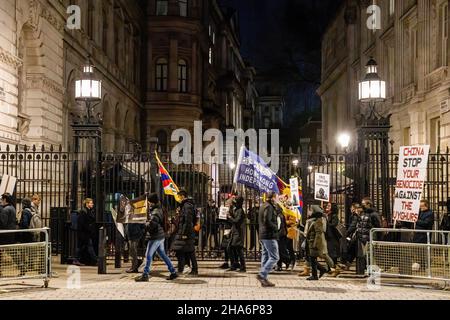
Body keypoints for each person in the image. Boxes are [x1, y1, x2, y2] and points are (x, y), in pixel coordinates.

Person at [135, 193, 178, 281]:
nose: (148, 203)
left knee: (148, 255)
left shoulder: (156, 212)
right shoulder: (158, 208)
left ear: (152, 202)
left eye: (149, 202)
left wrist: (143, 224)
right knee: (162, 254)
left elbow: (151, 225)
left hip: (155, 236)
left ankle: (145, 275)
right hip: (159, 235)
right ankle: (173, 272)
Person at [171, 190, 198, 277]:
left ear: (182, 196)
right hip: (184, 231)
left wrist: (184, 233)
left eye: (179, 196)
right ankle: (185, 268)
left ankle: (193, 269)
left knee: (190, 251)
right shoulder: (184, 206)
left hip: (187, 232)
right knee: (184, 251)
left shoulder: (187, 206)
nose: (178, 198)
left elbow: (188, 220)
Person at [257, 192, 279, 287]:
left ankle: (264, 279)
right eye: (277, 197)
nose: (277, 199)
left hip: (263, 235)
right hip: (269, 235)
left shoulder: (263, 205)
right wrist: (276, 227)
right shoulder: (269, 207)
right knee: (275, 257)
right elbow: (267, 220)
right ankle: (262, 274)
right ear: (273, 198)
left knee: (265, 256)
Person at [0, 193, 26, 276]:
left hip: (4, 235)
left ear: (5, 200)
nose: (1, 201)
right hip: (11, 233)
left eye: (2, 199)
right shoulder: (12, 208)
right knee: (13, 252)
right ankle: (22, 267)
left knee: (8, 252)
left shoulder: (6, 209)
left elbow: (3, 223)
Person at [356, 198, 381, 275]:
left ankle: (373, 272)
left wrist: (378, 239)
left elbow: (378, 227)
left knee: (370, 256)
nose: (362, 206)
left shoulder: (374, 214)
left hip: (370, 238)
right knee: (364, 255)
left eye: (363, 204)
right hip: (362, 238)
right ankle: (367, 271)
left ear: (368, 204)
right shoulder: (363, 213)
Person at [306, 205, 330, 280]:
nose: (309, 211)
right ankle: (316, 273)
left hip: (314, 242)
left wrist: (315, 244)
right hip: (311, 241)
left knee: (312, 259)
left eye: (311, 210)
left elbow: (318, 233)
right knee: (312, 259)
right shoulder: (314, 219)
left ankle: (318, 272)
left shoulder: (318, 220)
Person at [412, 199, 434, 271]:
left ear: (426, 206)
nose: (420, 208)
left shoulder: (430, 213)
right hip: (417, 235)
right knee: (417, 251)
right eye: (420, 206)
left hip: (424, 236)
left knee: (423, 251)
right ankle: (419, 265)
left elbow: (426, 223)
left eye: (422, 206)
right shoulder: (419, 212)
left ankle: (424, 266)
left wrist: (416, 220)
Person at [227, 195, 246, 272]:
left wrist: (230, 217)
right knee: (231, 248)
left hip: (238, 233)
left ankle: (242, 266)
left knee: (238, 249)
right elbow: (234, 218)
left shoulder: (240, 210)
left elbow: (236, 221)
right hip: (235, 232)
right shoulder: (237, 209)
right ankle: (234, 264)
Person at [77, 198, 98, 266]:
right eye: (91, 203)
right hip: (84, 233)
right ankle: (95, 260)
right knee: (89, 246)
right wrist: (89, 228)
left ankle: (77, 259)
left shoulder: (89, 211)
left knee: (82, 247)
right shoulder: (83, 212)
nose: (92, 204)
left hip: (87, 233)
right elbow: (82, 223)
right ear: (87, 204)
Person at [325, 202, 341, 277]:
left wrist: (326, 223)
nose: (327, 206)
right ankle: (330, 269)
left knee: (332, 253)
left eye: (329, 206)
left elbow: (334, 224)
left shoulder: (334, 216)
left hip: (332, 237)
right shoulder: (327, 215)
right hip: (328, 236)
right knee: (328, 253)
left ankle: (334, 269)